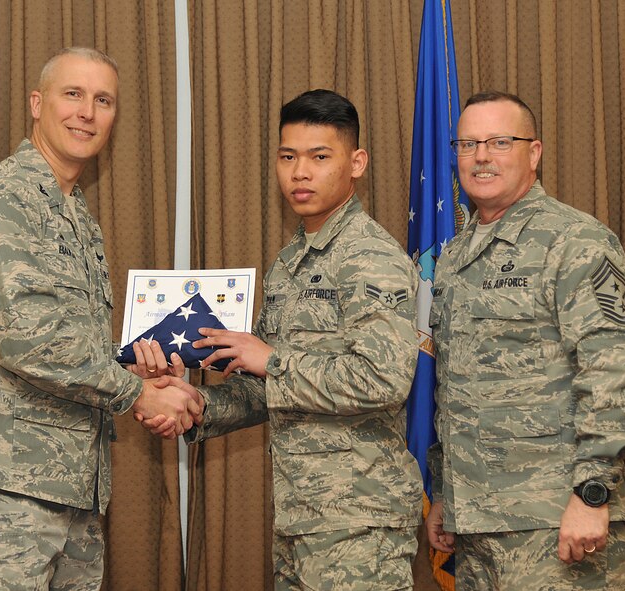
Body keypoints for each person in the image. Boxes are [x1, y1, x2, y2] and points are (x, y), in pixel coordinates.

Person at [0, 47, 200, 590]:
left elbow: (69, 343)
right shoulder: (0, 199)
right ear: (37, 103)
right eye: (73, 94)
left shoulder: (75, 214)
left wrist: (134, 369)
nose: (87, 113)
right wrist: (137, 395)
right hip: (1, 487)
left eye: (103, 100)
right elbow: (28, 340)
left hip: (72, 488)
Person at [142, 89, 422, 590]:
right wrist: (195, 406)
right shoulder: (292, 261)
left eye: (320, 157)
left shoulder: (370, 257)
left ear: (357, 163)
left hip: (360, 522)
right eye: (288, 157)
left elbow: (383, 379)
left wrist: (272, 360)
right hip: (299, 518)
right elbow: (263, 387)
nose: (300, 172)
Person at [424, 90, 625, 590]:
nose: (481, 157)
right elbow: (455, 386)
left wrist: (592, 493)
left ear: (534, 153)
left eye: (499, 142)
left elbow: (618, 372)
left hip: (556, 523)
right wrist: (445, 492)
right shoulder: (454, 257)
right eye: (467, 144)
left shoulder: (574, 241)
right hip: (478, 528)